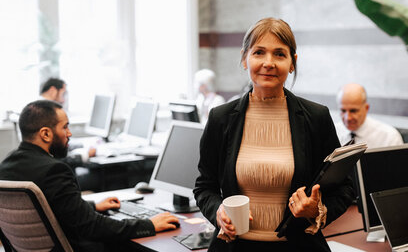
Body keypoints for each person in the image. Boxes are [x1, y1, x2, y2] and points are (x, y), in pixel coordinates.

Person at [194, 18, 354, 252]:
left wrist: (316, 209)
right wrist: (217, 211)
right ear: (244, 58)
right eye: (259, 52)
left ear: (292, 63)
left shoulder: (316, 117)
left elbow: (345, 188)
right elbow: (204, 187)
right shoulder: (221, 118)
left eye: (279, 54)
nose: (268, 63)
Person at [0, 100, 179, 251]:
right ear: (46, 134)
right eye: (65, 127)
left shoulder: (5, 167)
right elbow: (91, 227)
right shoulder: (54, 170)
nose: (69, 134)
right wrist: (148, 225)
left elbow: (49, 206)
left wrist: (91, 205)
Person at [335, 83, 403, 147]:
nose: (348, 118)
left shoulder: (389, 137)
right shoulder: (332, 133)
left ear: (366, 108)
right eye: (343, 111)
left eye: (353, 111)